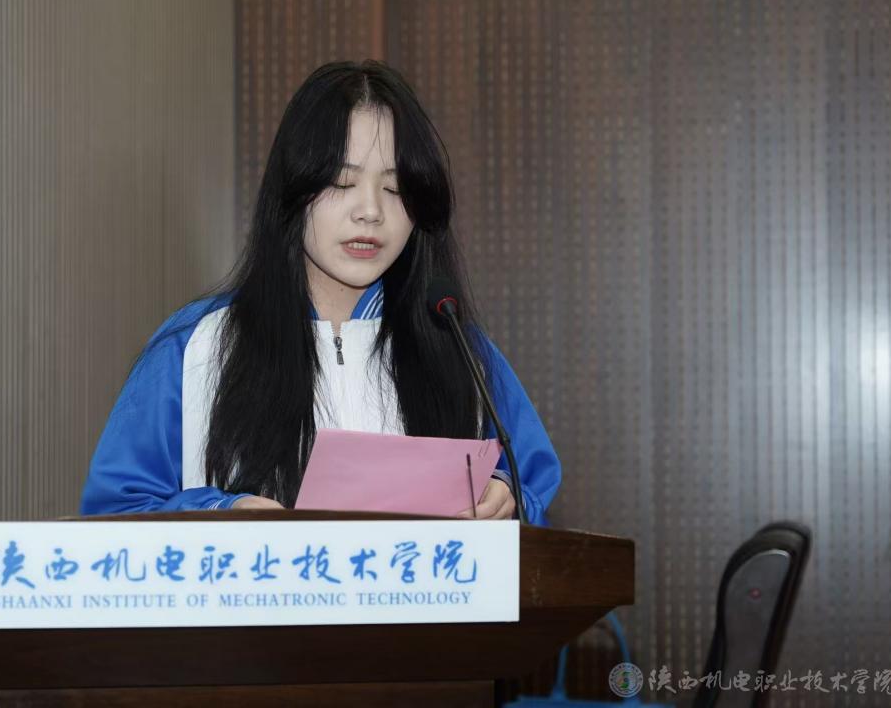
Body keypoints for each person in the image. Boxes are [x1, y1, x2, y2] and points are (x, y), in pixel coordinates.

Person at [80, 60, 560, 525]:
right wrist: (220, 514)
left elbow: (531, 484)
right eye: (342, 182)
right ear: (293, 190)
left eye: (395, 189)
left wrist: (505, 495)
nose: (370, 211)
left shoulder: (459, 348)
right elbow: (115, 512)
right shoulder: (196, 346)